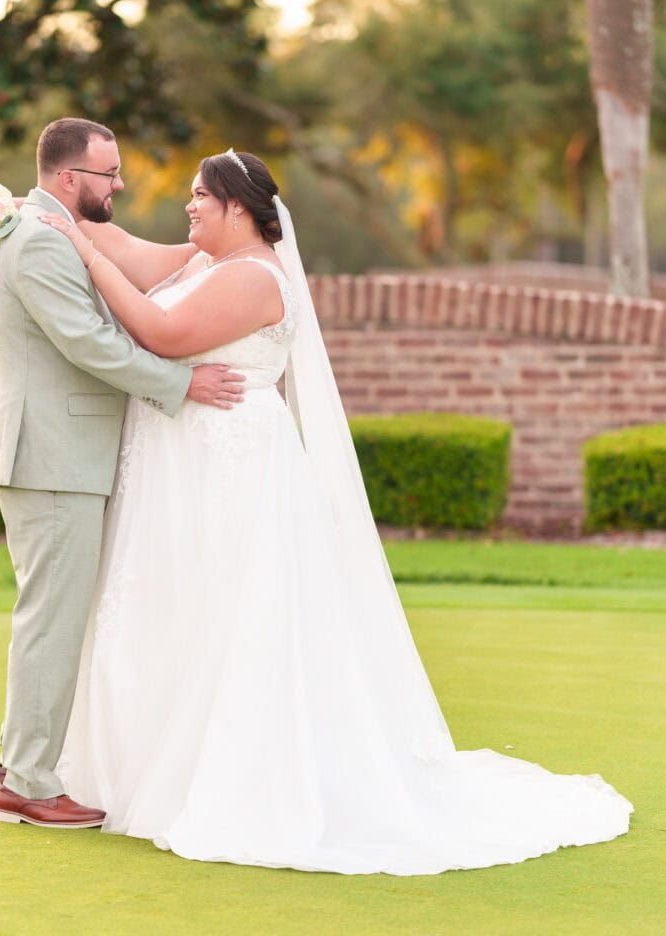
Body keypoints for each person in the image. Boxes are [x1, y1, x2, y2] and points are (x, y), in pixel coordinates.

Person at [34, 149, 633, 874]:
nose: (186, 207)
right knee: (175, 606)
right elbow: (124, 245)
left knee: (228, 613)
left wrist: (76, 249)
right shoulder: (202, 265)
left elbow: (158, 337)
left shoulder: (255, 278)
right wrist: (39, 212)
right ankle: (142, 764)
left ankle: (226, 774)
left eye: (199, 197)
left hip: (229, 467)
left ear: (238, 208)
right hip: (179, 466)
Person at [0, 119, 245, 829]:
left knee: (54, 616)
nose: (120, 185)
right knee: (53, 620)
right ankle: (30, 784)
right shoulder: (39, 241)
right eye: (109, 174)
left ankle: (21, 762)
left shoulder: (52, 231)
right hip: (53, 457)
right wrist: (180, 382)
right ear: (70, 179)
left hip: (63, 456)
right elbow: (90, 344)